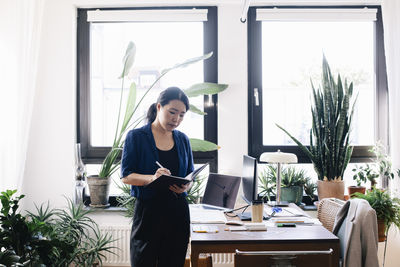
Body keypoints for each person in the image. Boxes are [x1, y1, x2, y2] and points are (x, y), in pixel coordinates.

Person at [121, 86, 194, 267]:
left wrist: (186, 185)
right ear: (159, 107)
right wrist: (152, 178)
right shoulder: (136, 137)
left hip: (177, 212)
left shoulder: (183, 139)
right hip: (148, 214)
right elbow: (126, 176)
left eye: (182, 115)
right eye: (172, 112)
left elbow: (191, 175)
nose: (176, 119)